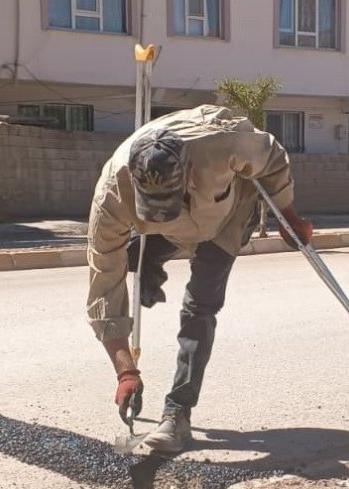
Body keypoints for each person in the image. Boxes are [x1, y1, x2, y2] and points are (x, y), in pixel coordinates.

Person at [86, 104, 313, 454]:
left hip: (228, 214)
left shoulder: (222, 143)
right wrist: (125, 371)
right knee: (130, 256)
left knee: (199, 306)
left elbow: (273, 157)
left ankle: (177, 412)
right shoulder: (112, 196)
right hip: (167, 229)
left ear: (191, 172)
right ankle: (149, 260)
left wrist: (287, 213)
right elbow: (103, 286)